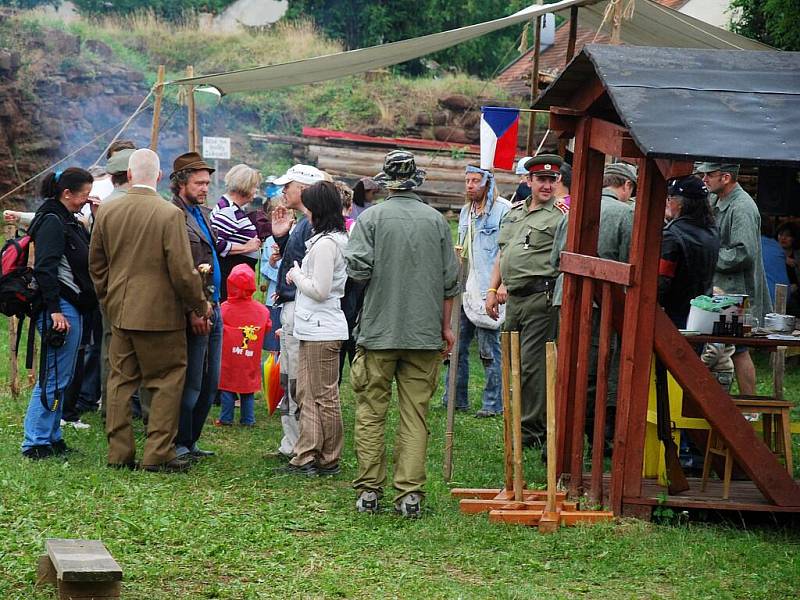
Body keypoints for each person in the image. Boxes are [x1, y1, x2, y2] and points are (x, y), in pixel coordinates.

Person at [346, 150, 459, 517]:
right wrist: (446, 329)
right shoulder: (438, 223)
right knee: (416, 415)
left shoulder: (371, 219)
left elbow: (358, 272)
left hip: (378, 331)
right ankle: (409, 495)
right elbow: (449, 283)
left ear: (385, 183)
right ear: (416, 181)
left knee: (371, 412)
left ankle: (368, 493)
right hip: (424, 334)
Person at [90, 149, 210, 472]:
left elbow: (96, 265)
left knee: (119, 383)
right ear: (157, 177)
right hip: (162, 317)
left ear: (128, 175)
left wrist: (109, 298)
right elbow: (183, 272)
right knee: (166, 382)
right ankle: (158, 454)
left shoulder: (108, 212)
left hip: (121, 313)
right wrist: (200, 304)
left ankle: (119, 453)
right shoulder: (169, 215)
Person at [486, 154, 568, 448]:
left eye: (551, 180)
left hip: (539, 298)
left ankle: (531, 432)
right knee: (512, 361)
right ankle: (517, 420)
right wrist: (492, 290)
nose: (546, 185)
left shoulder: (560, 216)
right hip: (514, 299)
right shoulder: (515, 213)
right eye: (541, 180)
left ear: (557, 182)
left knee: (533, 367)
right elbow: (503, 254)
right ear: (529, 181)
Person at [550, 163, 633, 454]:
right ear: (626, 186)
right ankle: (584, 441)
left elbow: (553, 260)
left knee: (568, 366)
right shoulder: (626, 213)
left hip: (566, 299)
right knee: (593, 373)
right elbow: (629, 267)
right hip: (601, 305)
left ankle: (560, 437)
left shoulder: (573, 210)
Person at [21, 167, 97, 459]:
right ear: (67, 193)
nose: (85, 201)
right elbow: (45, 268)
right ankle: (35, 440)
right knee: (52, 376)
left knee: (61, 375)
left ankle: (51, 435)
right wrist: (54, 310)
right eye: (84, 196)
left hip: (70, 308)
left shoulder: (66, 219)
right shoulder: (53, 221)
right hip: (60, 309)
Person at [282, 181, 350, 476]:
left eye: (308, 205)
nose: (305, 210)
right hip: (313, 327)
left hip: (323, 329)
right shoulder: (326, 240)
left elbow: (321, 290)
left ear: (317, 209)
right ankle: (305, 454)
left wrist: (296, 275)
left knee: (324, 395)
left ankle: (329, 456)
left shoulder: (326, 245)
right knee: (306, 393)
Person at [695, 162, 771, 396]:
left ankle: (751, 407)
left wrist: (707, 255)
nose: (704, 179)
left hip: (736, 292)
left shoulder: (742, 207)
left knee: (739, 349)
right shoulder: (716, 201)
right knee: (733, 348)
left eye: (710, 174)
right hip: (720, 289)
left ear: (726, 177)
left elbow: (742, 252)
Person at [441, 164, 510, 418]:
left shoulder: (503, 209)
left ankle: (493, 403)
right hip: (465, 288)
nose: (470, 185)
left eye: (475, 181)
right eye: (467, 180)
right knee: (455, 345)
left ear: (487, 183)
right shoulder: (466, 211)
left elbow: (507, 251)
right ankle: (455, 398)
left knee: (489, 349)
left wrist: (502, 285)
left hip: (487, 288)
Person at [268, 164, 327, 459]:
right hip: (294, 306)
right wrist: (282, 239)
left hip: (300, 308)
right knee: (290, 377)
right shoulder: (305, 222)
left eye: (287, 185)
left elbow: (306, 271)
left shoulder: (312, 224)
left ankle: (300, 443)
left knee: (295, 378)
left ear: (302, 189)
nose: (282, 191)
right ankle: (292, 442)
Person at [170, 151, 224, 461]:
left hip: (214, 303)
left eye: (207, 183)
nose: (205, 188)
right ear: (181, 183)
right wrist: (195, 307)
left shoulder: (201, 213)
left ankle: (192, 441)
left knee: (210, 380)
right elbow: (179, 266)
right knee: (191, 379)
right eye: (199, 182)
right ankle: (178, 441)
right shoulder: (173, 214)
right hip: (196, 305)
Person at [658, 176, 720, 328]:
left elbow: (662, 280)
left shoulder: (672, 235)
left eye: (670, 198)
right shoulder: (712, 231)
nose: (668, 202)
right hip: (702, 313)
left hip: (674, 315)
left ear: (679, 203)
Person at [217, 264, 271, 426]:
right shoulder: (261, 310)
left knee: (227, 385)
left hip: (229, 357)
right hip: (250, 356)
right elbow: (267, 326)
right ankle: (248, 419)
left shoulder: (224, 309)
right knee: (247, 387)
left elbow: (217, 328)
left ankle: (226, 418)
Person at [211, 163, 264, 301]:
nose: (255, 191)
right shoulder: (228, 211)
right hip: (229, 280)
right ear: (244, 187)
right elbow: (217, 243)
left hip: (233, 278)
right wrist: (247, 247)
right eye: (254, 187)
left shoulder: (231, 207)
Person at [776, 222, 800, 314]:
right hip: (779, 293)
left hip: (795, 294)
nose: (783, 238)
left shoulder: (797, 255)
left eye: (788, 235)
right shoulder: (774, 253)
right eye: (781, 234)